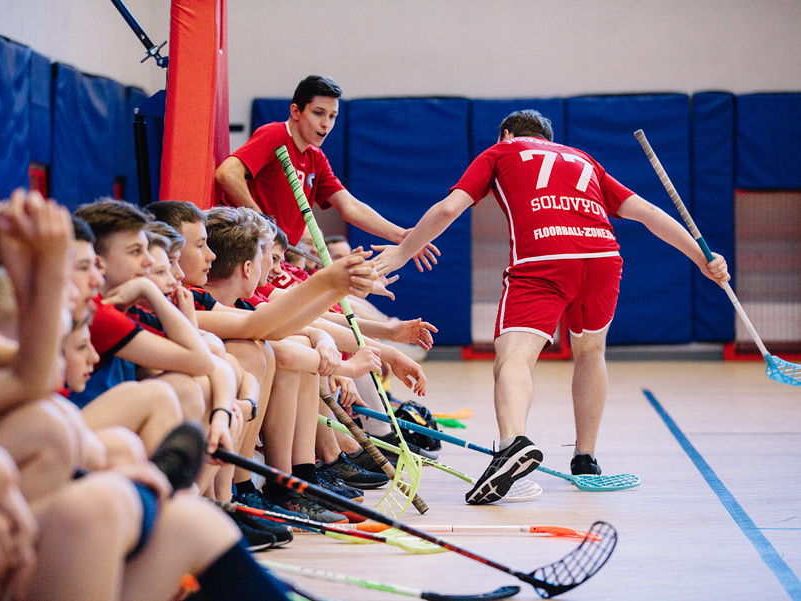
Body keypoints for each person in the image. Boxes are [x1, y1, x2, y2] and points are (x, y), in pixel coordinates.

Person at [372, 109, 731, 505]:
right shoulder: (582, 159)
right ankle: (586, 459)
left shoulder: (500, 152)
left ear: (506, 133)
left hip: (543, 259)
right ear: (548, 137)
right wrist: (702, 258)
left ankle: (512, 445)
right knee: (591, 352)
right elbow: (647, 212)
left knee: (514, 360)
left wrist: (403, 253)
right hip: (602, 258)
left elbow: (446, 209)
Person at [215, 74, 438, 272]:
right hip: (246, 253)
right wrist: (262, 224)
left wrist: (401, 236)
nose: (326, 124)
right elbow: (227, 173)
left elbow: (350, 207)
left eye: (332, 116)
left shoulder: (316, 158)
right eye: (318, 113)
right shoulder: (275, 134)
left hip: (277, 259)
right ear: (295, 111)